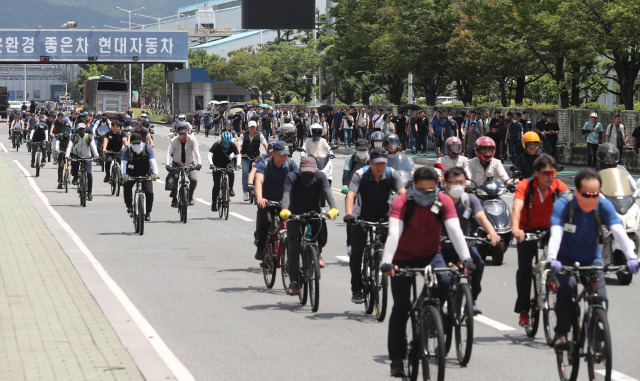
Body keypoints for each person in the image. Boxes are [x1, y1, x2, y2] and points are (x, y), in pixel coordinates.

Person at [380, 166, 473, 377]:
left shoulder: (443, 201)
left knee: (446, 282)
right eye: (422, 191)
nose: (427, 195)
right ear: (413, 189)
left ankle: (428, 314)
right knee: (401, 307)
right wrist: (386, 262)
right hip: (402, 257)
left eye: (431, 191)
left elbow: (455, 231)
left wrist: (466, 258)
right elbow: (394, 233)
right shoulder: (402, 202)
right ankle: (396, 359)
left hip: (432, 253)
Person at [546, 169, 639, 347]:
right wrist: (551, 257)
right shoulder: (563, 205)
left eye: (595, 195)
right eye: (586, 195)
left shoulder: (603, 206)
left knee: (600, 297)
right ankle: (561, 333)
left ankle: (596, 335)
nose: (591, 199)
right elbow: (556, 233)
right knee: (568, 287)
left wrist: (631, 256)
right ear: (577, 192)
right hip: (564, 258)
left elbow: (618, 231)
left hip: (591, 258)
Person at [511, 154, 568, 327]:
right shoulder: (525, 186)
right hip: (526, 230)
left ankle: (552, 278)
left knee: (561, 259)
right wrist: (516, 229)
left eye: (553, 173)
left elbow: (570, 205)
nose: (550, 177)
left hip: (550, 228)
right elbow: (516, 208)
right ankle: (523, 312)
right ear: (536, 173)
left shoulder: (559, 186)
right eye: (546, 173)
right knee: (525, 270)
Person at [344, 148, 407, 303]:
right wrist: (349, 214)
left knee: (395, 249)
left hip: (384, 215)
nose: (380, 167)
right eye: (377, 163)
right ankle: (357, 289)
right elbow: (351, 195)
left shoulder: (392, 174)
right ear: (370, 162)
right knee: (357, 252)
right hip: (361, 216)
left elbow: (403, 195)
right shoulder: (360, 175)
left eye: (383, 163)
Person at [442, 167, 501, 314]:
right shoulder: (438, 201)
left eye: (461, 182)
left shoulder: (470, 200)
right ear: (445, 183)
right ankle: (433, 307)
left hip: (465, 245)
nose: (457, 185)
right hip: (442, 246)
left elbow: (481, 217)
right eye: (453, 182)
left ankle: (472, 299)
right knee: (440, 280)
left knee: (478, 263)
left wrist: (492, 233)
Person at [280, 156, 339, 294]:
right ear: (300, 169)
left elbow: (328, 192)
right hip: (294, 214)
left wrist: (333, 208)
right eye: (305, 171)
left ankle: (317, 254)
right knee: (293, 245)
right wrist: (284, 209)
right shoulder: (292, 176)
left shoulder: (320, 176)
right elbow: (286, 194)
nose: (307, 174)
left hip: (314, 213)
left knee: (321, 234)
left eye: (310, 171)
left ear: (315, 169)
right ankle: (294, 282)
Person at [254, 141, 299, 261]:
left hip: (285, 201)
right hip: (267, 200)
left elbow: (298, 181)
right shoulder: (265, 163)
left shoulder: (290, 164)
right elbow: (258, 181)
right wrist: (259, 198)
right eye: (281, 155)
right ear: (273, 153)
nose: (284, 157)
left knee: (294, 222)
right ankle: (261, 246)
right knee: (266, 219)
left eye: (286, 155)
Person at [341, 139, 370, 255]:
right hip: (353, 192)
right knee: (351, 219)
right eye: (360, 150)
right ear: (356, 150)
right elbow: (346, 174)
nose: (362, 152)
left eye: (364, 150)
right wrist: (345, 185)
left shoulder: (372, 159)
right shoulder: (351, 159)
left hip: (368, 192)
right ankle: (350, 244)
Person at [121, 133, 159, 221]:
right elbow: (123, 163)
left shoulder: (147, 148)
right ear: (131, 143)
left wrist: (155, 174)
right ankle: (129, 206)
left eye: (138, 143)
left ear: (141, 142)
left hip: (145, 173)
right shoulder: (127, 150)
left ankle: (148, 212)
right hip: (131, 174)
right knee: (126, 186)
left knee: (149, 192)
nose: (136, 145)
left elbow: (153, 161)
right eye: (134, 143)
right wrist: (124, 174)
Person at [166, 123, 202, 207]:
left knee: (194, 179)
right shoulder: (173, 140)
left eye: (184, 133)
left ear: (187, 132)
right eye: (180, 134)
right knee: (174, 178)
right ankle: (174, 198)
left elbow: (197, 152)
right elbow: (168, 153)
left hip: (189, 163)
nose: (182, 136)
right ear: (177, 133)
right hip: (177, 162)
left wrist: (199, 163)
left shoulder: (192, 139)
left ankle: (190, 196)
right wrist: (167, 165)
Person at [208, 131, 241, 211]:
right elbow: (209, 154)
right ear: (222, 140)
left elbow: (237, 155)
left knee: (231, 172)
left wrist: (238, 164)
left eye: (228, 142)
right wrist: (212, 165)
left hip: (227, 163)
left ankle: (230, 189)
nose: (226, 144)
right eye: (225, 142)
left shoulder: (232, 145)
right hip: (217, 165)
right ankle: (213, 203)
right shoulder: (216, 145)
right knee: (216, 185)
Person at [65, 123, 99, 201]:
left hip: (87, 156)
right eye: (80, 129)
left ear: (85, 129)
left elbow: (93, 146)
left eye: (83, 129)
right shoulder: (74, 137)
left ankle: (89, 193)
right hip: (77, 155)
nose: (81, 131)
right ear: (77, 130)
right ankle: (75, 177)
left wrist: (96, 155)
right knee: (74, 162)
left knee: (89, 174)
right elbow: (69, 146)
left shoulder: (89, 137)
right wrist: (67, 155)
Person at [239, 120, 268, 201]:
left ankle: (258, 190)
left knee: (258, 173)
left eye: (254, 127)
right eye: (250, 127)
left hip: (255, 157)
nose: (252, 128)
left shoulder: (259, 134)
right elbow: (239, 145)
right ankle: (245, 192)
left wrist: (269, 153)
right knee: (245, 173)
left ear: (256, 127)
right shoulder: (243, 135)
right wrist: (239, 153)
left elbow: (265, 144)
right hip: (245, 156)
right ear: (248, 127)